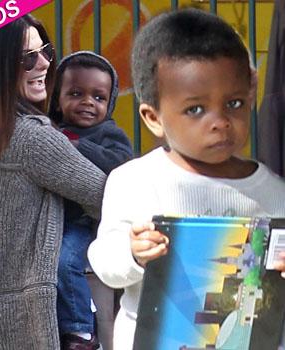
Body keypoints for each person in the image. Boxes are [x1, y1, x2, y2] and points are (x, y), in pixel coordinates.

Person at [87, 8, 285, 350]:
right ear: (153, 118)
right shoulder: (135, 181)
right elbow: (103, 262)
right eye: (196, 109)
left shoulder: (274, 192)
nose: (220, 121)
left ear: (250, 94)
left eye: (234, 103)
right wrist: (132, 252)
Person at [0, 15, 106, 350]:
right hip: (17, 320)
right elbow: (105, 196)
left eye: (45, 51)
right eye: (27, 58)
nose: (44, 63)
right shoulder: (31, 139)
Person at [49, 51, 133, 350]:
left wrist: (77, 146)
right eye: (75, 93)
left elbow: (121, 163)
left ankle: (80, 331)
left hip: (83, 222)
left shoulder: (109, 134)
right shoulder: (47, 129)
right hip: (48, 218)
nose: (87, 102)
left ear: (109, 103)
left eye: (98, 97)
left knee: (64, 261)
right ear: (55, 97)